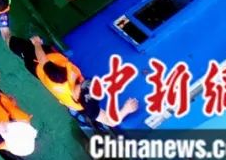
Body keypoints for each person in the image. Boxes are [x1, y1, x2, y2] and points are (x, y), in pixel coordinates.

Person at [7, 35, 139, 126]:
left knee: (19, 46)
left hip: (37, 62)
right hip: (57, 60)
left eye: (83, 86)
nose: (83, 82)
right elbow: (110, 121)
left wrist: (36, 43)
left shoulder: (59, 78)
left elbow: (43, 60)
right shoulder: (88, 106)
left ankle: (5, 33)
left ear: (77, 95)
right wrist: (126, 110)